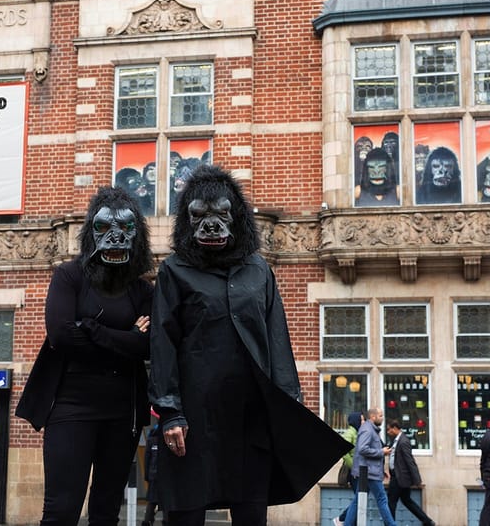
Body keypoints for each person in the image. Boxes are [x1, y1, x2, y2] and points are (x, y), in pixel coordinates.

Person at [149, 165, 350, 526]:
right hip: (195, 416)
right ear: (187, 221)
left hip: (251, 416)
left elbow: (277, 339)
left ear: (236, 217)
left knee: (251, 514)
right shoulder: (173, 271)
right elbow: (162, 344)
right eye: (199, 217)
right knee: (186, 513)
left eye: (221, 215)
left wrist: (288, 404)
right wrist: (170, 412)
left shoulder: (259, 271)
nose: (210, 225)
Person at [15, 186, 154, 526]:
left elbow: (149, 346)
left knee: (106, 511)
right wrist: (127, 338)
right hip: (70, 404)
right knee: (62, 509)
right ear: (91, 230)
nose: (116, 237)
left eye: (126, 228)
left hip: (123, 410)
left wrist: (94, 330)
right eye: (105, 228)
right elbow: (61, 336)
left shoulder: (143, 289)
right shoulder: (69, 275)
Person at [343, 407, 397, 526]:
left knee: (357, 501)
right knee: (382, 499)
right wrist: (381, 452)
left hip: (369, 471)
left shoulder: (371, 429)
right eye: (380, 416)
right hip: (369, 473)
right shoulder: (368, 430)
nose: (383, 418)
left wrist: (382, 469)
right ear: (373, 417)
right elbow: (363, 449)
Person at [386, 420, 435, 526]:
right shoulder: (395, 440)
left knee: (391, 502)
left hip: (399, 478)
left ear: (395, 428)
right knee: (407, 501)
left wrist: (417, 479)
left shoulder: (403, 441)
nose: (388, 432)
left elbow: (410, 461)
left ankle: (390, 524)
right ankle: (427, 521)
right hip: (398, 477)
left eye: (389, 429)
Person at [334, 412, 364, 526]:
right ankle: (342, 519)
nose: (363, 422)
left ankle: (347, 521)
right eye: (361, 420)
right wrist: (354, 466)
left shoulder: (357, 432)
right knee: (358, 499)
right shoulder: (350, 433)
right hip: (353, 473)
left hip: (358, 471)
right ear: (356, 421)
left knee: (359, 499)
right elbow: (344, 452)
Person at [142, 410, 165, 526]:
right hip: (163, 476)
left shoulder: (151, 439)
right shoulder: (167, 438)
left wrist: (147, 476)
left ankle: (147, 522)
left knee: (152, 502)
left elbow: (147, 460)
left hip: (154, 476)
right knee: (167, 502)